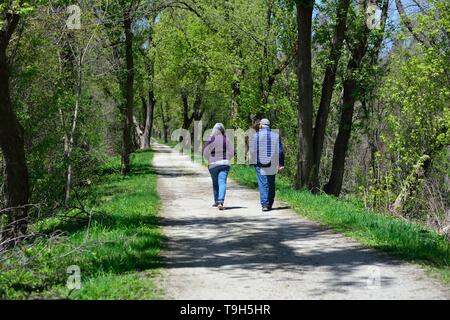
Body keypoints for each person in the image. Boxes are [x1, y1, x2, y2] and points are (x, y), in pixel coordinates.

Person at [250, 118, 284, 212]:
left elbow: (252, 150)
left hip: (260, 163)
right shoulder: (275, 136)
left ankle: (265, 204)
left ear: (261, 125)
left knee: (263, 183)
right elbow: (280, 151)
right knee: (271, 182)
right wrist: (280, 163)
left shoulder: (256, 136)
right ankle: (270, 203)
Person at [203, 123, 234, 210]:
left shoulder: (210, 139)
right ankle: (220, 202)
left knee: (215, 182)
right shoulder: (226, 139)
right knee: (222, 182)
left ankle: (216, 201)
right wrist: (228, 158)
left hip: (213, 164)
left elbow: (205, 153)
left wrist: (209, 159)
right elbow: (232, 152)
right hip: (224, 163)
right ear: (222, 130)